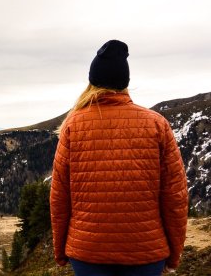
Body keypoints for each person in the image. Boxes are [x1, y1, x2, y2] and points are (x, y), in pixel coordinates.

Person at [49, 40, 189, 276]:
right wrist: (174, 254)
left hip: (87, 252)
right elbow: (175, 196)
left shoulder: (73, 125)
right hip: (146, 252)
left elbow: (60, 197)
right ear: (125, 82)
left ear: (92, 81)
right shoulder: (157, 124)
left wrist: (61, 250)